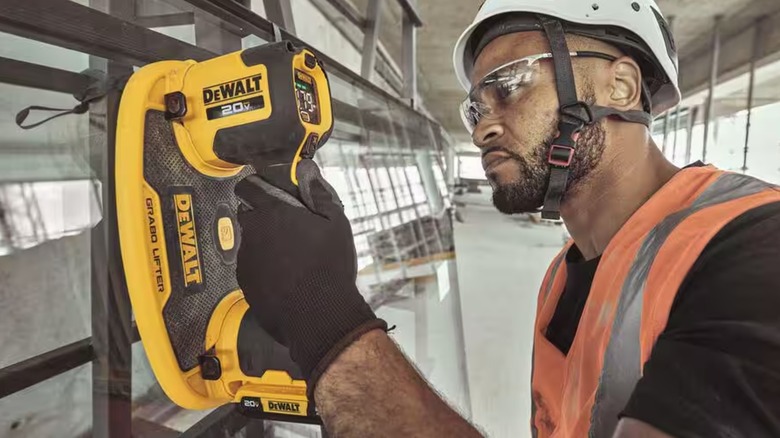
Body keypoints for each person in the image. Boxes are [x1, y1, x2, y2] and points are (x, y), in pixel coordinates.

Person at [234, 0, 780, 436]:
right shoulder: (564, 273)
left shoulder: (756, 251)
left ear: (621, 86)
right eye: (474, 106)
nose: (480, 128)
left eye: (510, 85)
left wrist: (324, 317)